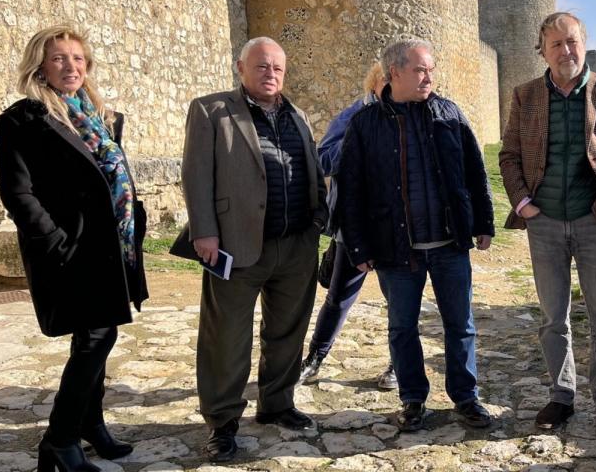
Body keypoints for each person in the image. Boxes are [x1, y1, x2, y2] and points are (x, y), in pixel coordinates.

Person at [0, 25, 148, 472]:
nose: (70, 66)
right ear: (39, 66)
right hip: (69, 251)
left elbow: (114, 177)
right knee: (97, 338)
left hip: (111, 249)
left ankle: (90, 425)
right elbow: (19, 194)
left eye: (78, 59)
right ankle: (60, 440)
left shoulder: (103, 119)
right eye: (59, 58)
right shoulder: (20, 121)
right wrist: (56, 244)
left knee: (95, 336)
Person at [181, 37, 328, 462]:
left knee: (287, 331)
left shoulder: (297, 115)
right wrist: (203, 232)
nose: (271, 74)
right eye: (262, 66)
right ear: (240, 67)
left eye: (278, 68)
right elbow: (196, 175)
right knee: (225, 337)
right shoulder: (211, 110)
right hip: (234, 245)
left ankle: (277, 404)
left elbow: (313, 171)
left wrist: (317, 223)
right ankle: (222, 422)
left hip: (296, 244)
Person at [337, 38, 495, 432]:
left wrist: (483, 223)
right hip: (396, 249)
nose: (429, 77)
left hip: (448, 245)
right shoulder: (365, 124)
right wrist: (357, 244)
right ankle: (412, 399)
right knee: (402, 327)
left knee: (460, 324)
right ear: (395, 73)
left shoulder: (449, 114)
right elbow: (351, 188)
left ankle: (466, 397)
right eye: (420, 70)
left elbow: (475, 170)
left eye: (431, 69)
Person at [498, 12, 596, 440]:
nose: (566, 51)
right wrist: (523, 202)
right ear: (543, 49)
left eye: (572, 41)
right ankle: (562, 395)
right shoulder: (525, 96)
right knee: (552, 317)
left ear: (583, 42)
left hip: (593, 222)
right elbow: (509, 157)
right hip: (544, 224)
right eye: (556, 44)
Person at [299, 62, 397, 389]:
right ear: (376, 83)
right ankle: (314, 359)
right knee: (339, 297)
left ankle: (399, 364)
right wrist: (359, 141)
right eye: (389, 79)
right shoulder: (353, 115)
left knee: (399, 300)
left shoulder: (411, 116)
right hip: (355, 225)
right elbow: (323, 158)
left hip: (398, 227)